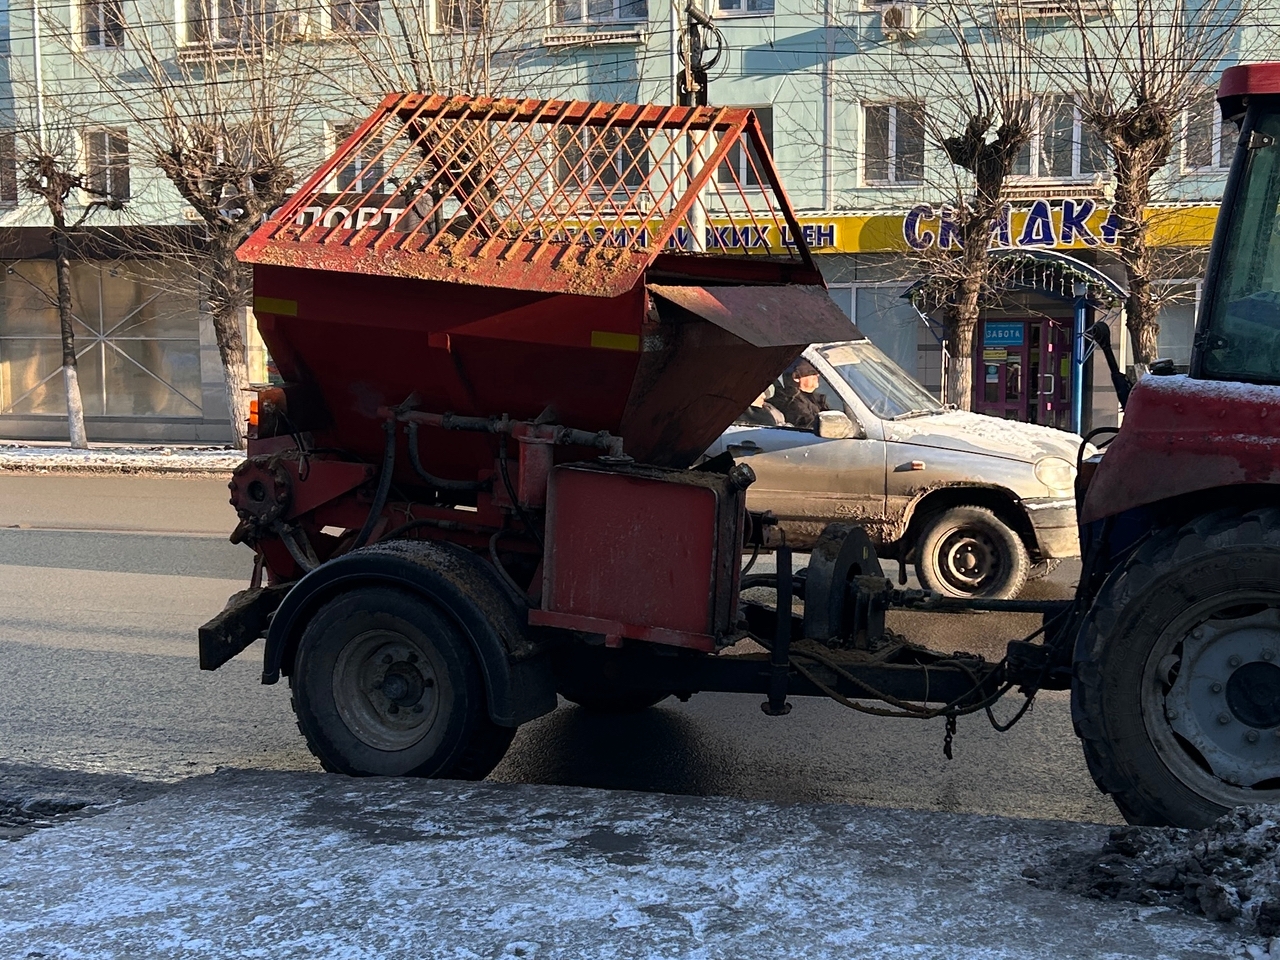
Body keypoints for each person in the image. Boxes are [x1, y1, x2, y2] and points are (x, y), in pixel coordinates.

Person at [773, 359, 829, 429]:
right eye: (812, 372)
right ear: (796, 376)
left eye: (817, 371)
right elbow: (811, 426)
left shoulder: (816, 398)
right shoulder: (790, 403)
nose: (818, 375)